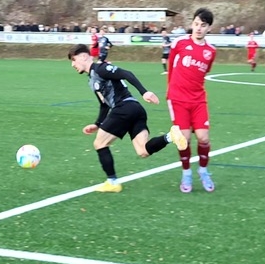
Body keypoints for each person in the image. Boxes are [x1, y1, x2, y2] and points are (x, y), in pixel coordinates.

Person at [68, 44, 188, 193]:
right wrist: (97, 124)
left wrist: (144, 92)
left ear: (83, 56)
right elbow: (104, 105)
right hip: (135, 110)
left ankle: (112, 182)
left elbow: (126, 73)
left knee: (99, 143)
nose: (72, 64)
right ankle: (171, 136)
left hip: (124, 108)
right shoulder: (92, 79)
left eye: (73, 60)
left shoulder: (100, 69)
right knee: (143, 151)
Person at [167, 8, 217, 193]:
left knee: (203, 137)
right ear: (192, 24)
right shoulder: (179, 43)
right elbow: (171, 66)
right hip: (178, 98)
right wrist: (171, 91)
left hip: (198, 99)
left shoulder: (211, 51)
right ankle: (186, 173)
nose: (199, 28)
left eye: (203, 25)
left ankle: (203, 171)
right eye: (196, 24)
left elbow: (204, 72)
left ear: (209, 28)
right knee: (184, 139)